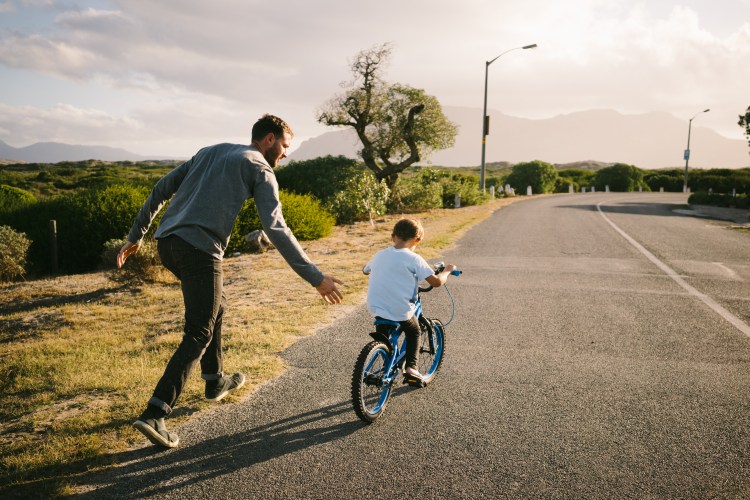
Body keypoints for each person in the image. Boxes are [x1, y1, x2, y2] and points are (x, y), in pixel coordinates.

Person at [117, 114, 344, 448]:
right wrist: (315, 277)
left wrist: (137, 234)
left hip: (167, 243)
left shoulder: (210, 151)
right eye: (283, 146)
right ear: (269, 139)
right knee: (198, 330)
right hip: (199, 250)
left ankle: (214, 380)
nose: (284, 154)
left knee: (216, 304)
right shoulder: (259, 168)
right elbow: (276, 228)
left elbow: (161, 188)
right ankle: (155, 412)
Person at [362, 218, 456, 386]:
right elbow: (436, 282)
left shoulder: (380, 254)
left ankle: (384, 360)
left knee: (385, 334)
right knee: (414, 331)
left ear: (393, 237)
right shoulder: (414, 259)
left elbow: (365, 270)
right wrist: (448, 271)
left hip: (376, 306)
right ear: (417, 240)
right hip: (400, 309)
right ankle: (411, 368)